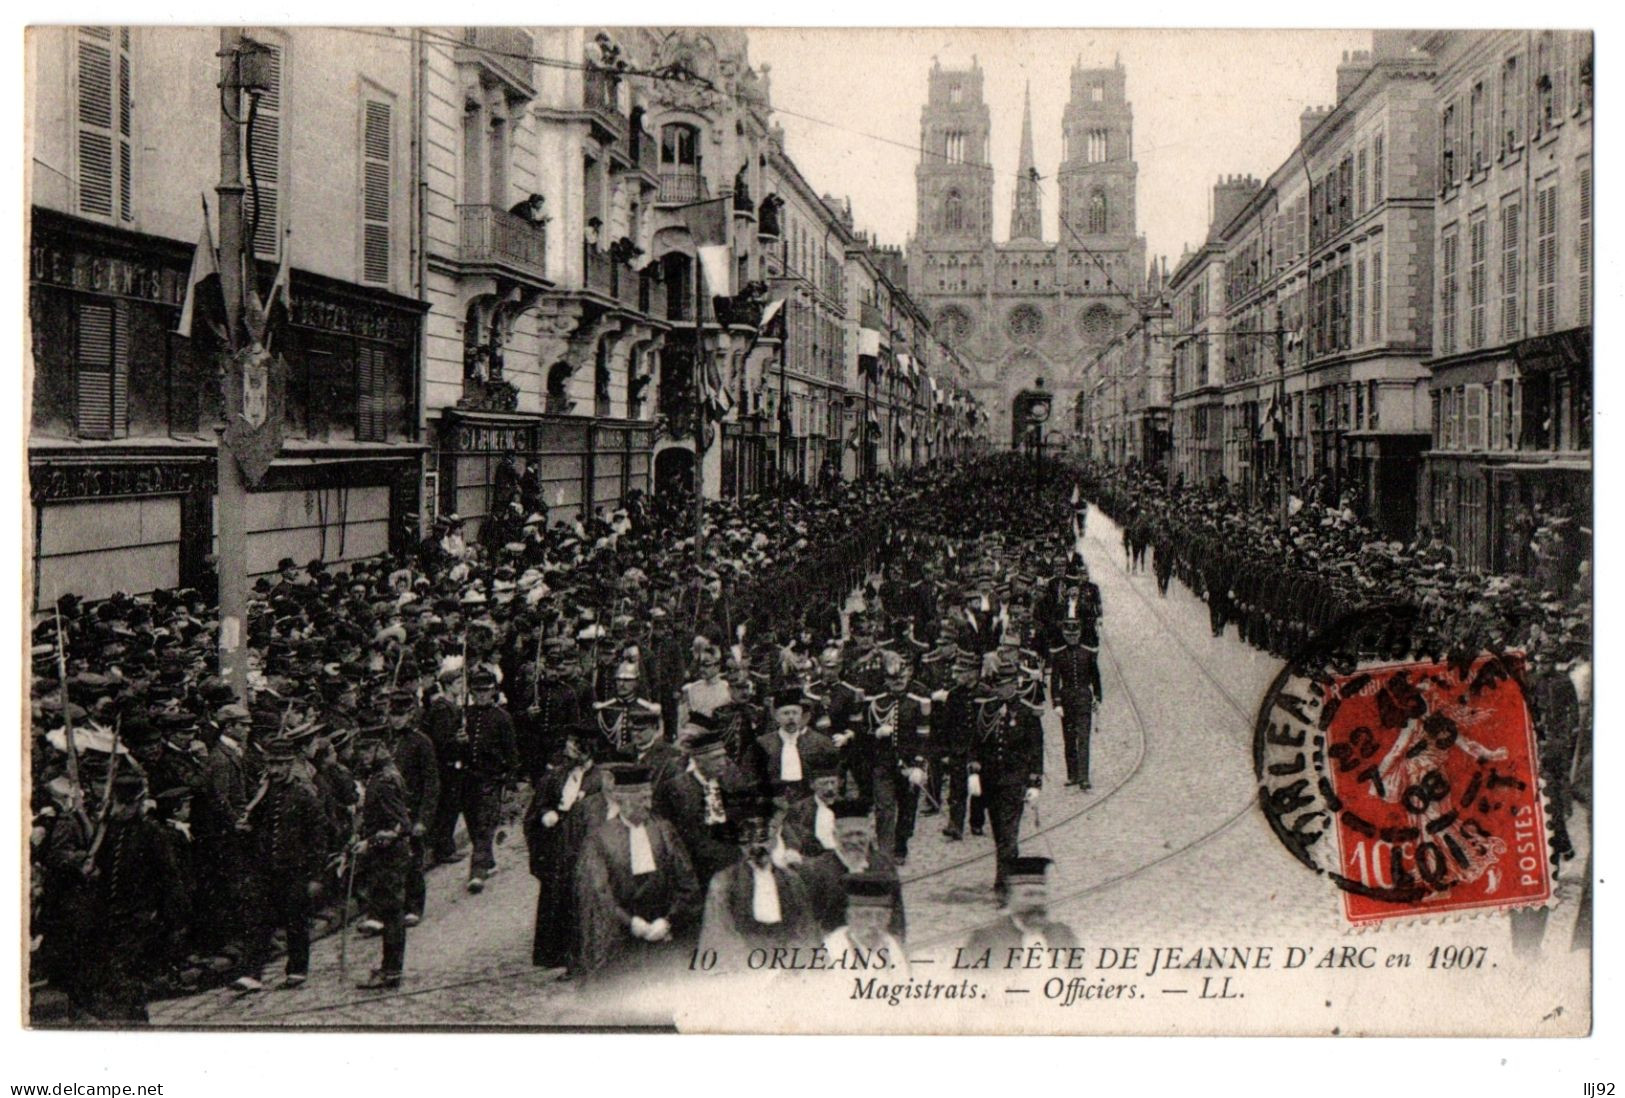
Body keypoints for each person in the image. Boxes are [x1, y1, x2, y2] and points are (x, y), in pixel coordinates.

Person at [573, 765, 702, 984]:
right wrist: (630, 922)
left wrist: (669, 920)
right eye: (641, 799)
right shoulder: (599, 839)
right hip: (621, 938)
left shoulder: (663, 829)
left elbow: (687, 880)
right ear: (622, 801)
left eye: (649, 798)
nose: (649, 805)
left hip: (665, 933)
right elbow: (598, 892)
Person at [245, 730, 330, 991]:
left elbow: (318, 838)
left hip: (296, 870)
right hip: (267, 868)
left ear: (291, 764)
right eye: (271, 763)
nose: (276, 769)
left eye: (281, 764)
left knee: (295, 921)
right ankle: (253, 974)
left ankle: (297, 969)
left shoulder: (304, 795)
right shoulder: (264, 793)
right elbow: (255, 824)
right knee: (259, 921)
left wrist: (316, 876)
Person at [696, 793, 819, 967]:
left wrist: (790, 966)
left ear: (775, 840)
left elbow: (806, 932)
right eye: (750, 837)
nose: (758, 845)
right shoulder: (724, 882)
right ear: (741, 843)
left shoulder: (791, 880)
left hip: (790, 967)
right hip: (744, 968)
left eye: (764, 836)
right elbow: (721, 935)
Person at [525, 726, 608, 972]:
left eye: (574, 744)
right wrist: (545, 815)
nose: (568, 749)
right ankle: (559, 955)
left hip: (585, 844)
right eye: (568, 744)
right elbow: (540, 805)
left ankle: (584, 957)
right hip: (559, 845)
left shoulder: (601, 777)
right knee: (558, 897)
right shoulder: (557, 776)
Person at [972, 653, 1044, 897]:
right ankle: (1005, 878)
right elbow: (977, 742)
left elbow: (1035, 749)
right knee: (999, 834)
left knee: (1008, 835)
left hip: (1014, 782)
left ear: (1015, 685)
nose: (1001, 690)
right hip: (991, 782)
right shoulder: (987, 710)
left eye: (1005, 685)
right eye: (998, 685)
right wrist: (973, 770)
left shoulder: (1026, 713)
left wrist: (1035, 783)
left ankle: (1004, 885)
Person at [351, 718, 413, 989]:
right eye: (361, 751)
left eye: (366, 751)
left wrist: (369, 844)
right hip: (386, 856)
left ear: (379, 749)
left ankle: (391, 971)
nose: (362, 757)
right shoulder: (381, 775)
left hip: (390, 857)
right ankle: (390, 968)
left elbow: (399, 827)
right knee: (390, 914)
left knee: (392, 914)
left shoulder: (385, 780)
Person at [796, 797, 905, 939]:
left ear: (871, 833)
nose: (854, 841)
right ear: (835, 835)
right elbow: (809, 925)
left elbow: (896, 917)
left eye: (860, 834)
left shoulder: (883, 865)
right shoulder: (816, 871)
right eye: (847, 835)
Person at [385, 689, 439, 926]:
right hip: (388, 810)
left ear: (410, 714)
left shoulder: (421, 742)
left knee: (412, 861)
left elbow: (431, 783)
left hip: (411, 810)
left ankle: (414, 907)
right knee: (386, 862)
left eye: (401, 715)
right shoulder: (385, 741)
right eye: (393, 715)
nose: (396, 719)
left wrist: (423, 819)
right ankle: (385, 910)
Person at [464, 666, 519, 893]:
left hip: (492, 777)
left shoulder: (502, 718)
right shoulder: (465, 715)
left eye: (485, 691)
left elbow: (512, 752)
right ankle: (488, 860)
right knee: (472, 822)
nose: (481, 696)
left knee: (485, 824)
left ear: (493, 692)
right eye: (477, 692)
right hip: (469, 778)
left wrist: (510, 781)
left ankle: (477, 871)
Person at [962, 857, 1077, 955]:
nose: (1037, 902)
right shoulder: (986, 941)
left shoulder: (1063, 935)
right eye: (1029, 894)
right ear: (1010, 899)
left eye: (1042, 894)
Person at [750, 686, 836, 804]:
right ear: (776, 717)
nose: (791, 717)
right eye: (785, 713)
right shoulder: (763, 743)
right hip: (774, 802)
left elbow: (830, 775)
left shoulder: (820, 742)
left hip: (809, 800)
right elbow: (752, 776)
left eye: (795, 713)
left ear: (801, 716)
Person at [1049, 605, 1103, 790]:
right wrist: (1056, 702)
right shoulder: (1059, 655)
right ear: (1064, 634)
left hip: (1083, 698)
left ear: (1079, 634)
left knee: (1083, 738)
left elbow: (1096, 677)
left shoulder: (1088, 654)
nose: (1072, 637)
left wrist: (1097, 697)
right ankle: (1072, 774)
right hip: (1066, 699)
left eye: (1075, 634)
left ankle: (1083, 776)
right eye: (1068, 634)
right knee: (1069, 739)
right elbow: (1054, 680)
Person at [821, 872, 909, 977]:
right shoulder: (832, 951)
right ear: (849, 917)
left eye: (881, 916)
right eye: (865, 915)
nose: (873, 923)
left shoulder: (893, 946)